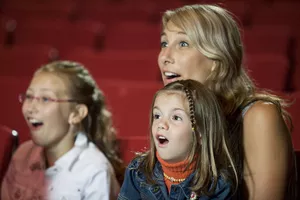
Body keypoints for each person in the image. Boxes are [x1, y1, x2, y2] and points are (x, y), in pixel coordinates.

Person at [157, 4, 296, 200]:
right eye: (164, 44)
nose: (165, 57)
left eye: (183, 44)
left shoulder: (259, 116)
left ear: (216, 59)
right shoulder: (172, 117)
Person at [1, 60, 124, 200]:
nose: (30, 108)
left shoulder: (94, 171)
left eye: (45, 99)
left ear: (77, 113)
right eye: (29, 97)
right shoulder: (22, 154)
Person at [118, 79, 238, 199]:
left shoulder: (218, 185)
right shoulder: (138, 171)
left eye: (176, 117)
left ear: (200, 133)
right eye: (157, 116)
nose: (161, 124)